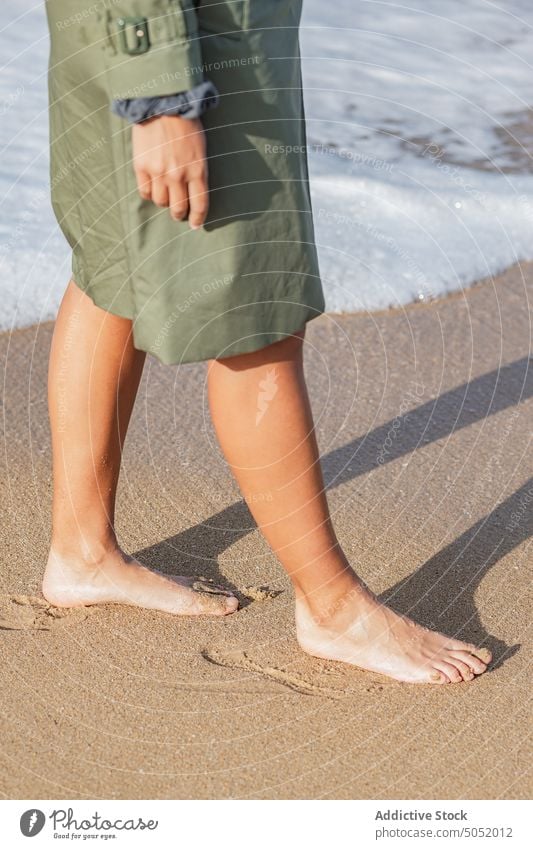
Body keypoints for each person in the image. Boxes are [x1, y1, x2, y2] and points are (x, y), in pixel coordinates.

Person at [43, 0, 491, 684]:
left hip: (117, 30)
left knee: (111, 268)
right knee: (257, 309)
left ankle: (82, 547)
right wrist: (161, 92)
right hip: (185, 42)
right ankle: (332, 607)